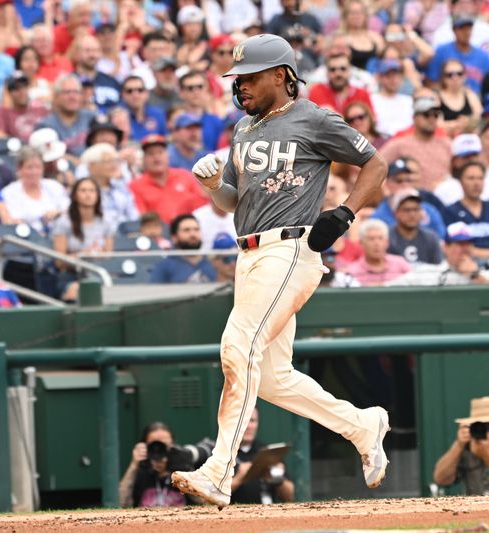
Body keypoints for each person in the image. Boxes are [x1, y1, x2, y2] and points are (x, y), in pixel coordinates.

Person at [171, 34, 390, 510]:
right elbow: (234, 202)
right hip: (249, 254)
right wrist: (213, 186)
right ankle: (362, 425)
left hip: (291, 248)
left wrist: (347, 212)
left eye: (249, 77)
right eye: (237, 78)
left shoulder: (313, 117)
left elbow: (376, 163)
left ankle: (218, 471)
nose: (240, 86)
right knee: (271, 378)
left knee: (238, 345)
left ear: (281, 75)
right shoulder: (243, 129)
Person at [51, 178, 115, 301]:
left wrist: (96, 255)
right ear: (75, 195)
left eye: (92, 191)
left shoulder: (106, 221)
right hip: (72, 275)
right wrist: (82, 255)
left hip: (100, 273)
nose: (88, 194)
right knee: (77, 292)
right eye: (83, 191)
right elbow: (59, 262)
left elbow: (109, 255)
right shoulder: (64, 222)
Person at [129, 134, 208, 224]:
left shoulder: (185, 175)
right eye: (150, 153)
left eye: (160, 152)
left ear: (168, 155)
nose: (156, 158)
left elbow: (202, 205)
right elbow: (142, 218)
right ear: (143, 159)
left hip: (190, 230)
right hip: (159, 233)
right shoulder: (135, 186)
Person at [379, 95, 451, 193]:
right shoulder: (401, 144)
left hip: (442, 198)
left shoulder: (447, 144)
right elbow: (376, 165)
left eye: (435, 115)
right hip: (409, 199)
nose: (432, 118)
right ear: (414, 117)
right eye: (426, 115)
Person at [443, 161, 489, 260]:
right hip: (467, 264)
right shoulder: (451, 211)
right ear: (461, 181)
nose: (476, 183)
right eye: (471, 178)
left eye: (480, 178)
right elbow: (453, 246)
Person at [230, 407, 295, 504]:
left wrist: (278, 477)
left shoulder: (267, 452)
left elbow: (289, 497)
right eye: (243, 421)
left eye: (252, 421)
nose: (248, 426)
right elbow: (206, 500)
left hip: (268, 514)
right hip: (234, 516)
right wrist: (239, 479)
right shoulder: (222, 453)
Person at [1, 147, 69, 234]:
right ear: (20, 168)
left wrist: (57, 213)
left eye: (38, 167)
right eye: (29, 167)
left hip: (58, 235)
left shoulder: (54, 186)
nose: (34, 172)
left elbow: (69, 209)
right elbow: (13, 222)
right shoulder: (9, 192)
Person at [120, 422, 187, 508]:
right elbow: (120, 504)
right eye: (155, 445)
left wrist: (186, 468)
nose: (159, 449)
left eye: (164, 445)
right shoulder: (141, 472)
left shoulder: (182, 471)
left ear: (173, 445)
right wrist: (134, 465)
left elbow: (203, 502)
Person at [427, 14, 489, 95]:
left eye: (468, 28)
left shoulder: (483, 56)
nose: (466, 32)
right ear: (454, 30)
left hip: (477, 99)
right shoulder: (442, 52)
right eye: (462, 29)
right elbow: (430, 82)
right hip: (448, 99)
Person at [343, 218, 412, 286]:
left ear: (387, 242)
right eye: (371, 239)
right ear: (361, 243)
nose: (376, 243)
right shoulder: (352, 271)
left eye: (380, 238)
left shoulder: (400, 264)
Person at [149, 214, 216, 284]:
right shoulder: (163, 267)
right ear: (174, 238)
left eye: (196, 229)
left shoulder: (213, 264)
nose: (193, 234)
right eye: (186, 230)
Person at [387, 189, 442, 265]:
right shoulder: (387, 237)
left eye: (416, 209)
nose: (412, 214)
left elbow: (438, 267)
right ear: (396, 213)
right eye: (407, 210)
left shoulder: (431, 237)